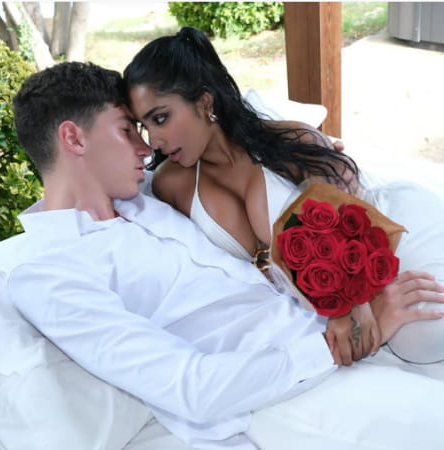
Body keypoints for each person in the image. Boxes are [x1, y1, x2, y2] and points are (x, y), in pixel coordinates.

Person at [7, 61, 444, 450]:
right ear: (73, 138)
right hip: (278, 394)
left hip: (329, 333)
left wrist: (306, 148)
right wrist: (341, 343)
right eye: (127, 131)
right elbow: (191, 388)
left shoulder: (144, 198)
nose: (147, 148)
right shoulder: (49, 274)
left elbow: (211, 137)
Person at [123, 26, 444, 366]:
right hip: (329, 298)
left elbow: (355, 232)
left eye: (161, 118)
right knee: (418, 338)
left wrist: (359, 306)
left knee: (425, 337)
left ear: (204, 102)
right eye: (144, 126)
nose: (154, 140)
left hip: (391, 236)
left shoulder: (292, 142)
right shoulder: (171, 184)